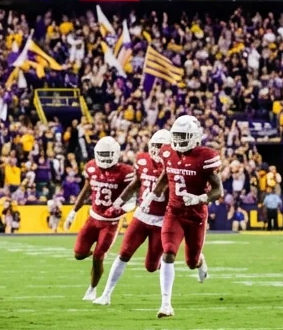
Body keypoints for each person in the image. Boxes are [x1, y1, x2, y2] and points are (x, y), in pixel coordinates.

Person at [149, 115, 218, 318]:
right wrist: (152, 196)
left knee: (190, 261)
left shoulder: (204, 156)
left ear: (195, 137)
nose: (178, 139)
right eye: (176, 135)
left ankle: (199, 261)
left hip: (196, 215)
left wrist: (198, 199)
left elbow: (218, 190)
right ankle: (166, 304)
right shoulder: (168, 152)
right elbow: (165, 177)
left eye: (183, 135)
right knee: (168, 252)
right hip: (174, 211)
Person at [94, 129, 170, 306]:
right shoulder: (142, 160)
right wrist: (119, 202)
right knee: (123, 253)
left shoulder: (173, 165)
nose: (156, 149)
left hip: (161, 219)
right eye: (154, 145)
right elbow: (136, 183)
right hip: (142, 216)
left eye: (160, 146)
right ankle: (106, 295)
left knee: (151, 266)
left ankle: (198, 260)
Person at [63, 136, 134, 302]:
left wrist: (121, 209)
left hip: (110, 223)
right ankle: (96, 258)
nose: (105, 157)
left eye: (108, 153)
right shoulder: (91, 167)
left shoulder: (125, 172)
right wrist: (73, 212)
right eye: (102, 153)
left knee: (98, 257)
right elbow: (86, 190)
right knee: (79, 254)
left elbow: (133, 198)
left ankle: (92, 288)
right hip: (93, 218)